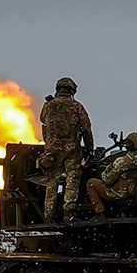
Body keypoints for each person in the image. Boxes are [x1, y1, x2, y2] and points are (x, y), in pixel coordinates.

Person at [39, 77, 94, 223]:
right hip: (71, 151)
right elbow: (86, 129)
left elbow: (43, 121)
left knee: (51, 183)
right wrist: (90, 150)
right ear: (72, 91)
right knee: (72, 180)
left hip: (51, 150)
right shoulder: (77, 106)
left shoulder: (48, 105)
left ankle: (48, 216)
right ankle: (68, 215)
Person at [86, 132, 137, 221]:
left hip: (119, 195)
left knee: (91, 183)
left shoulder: (123, 161)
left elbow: (107, 179)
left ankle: (99, 213)